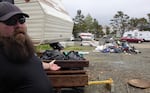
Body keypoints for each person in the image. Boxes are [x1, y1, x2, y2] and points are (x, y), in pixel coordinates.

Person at [0, 2, 60, 93]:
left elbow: (31, 62)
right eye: (10, 21)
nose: (18, 25)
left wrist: (48, 65)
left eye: (21, 20)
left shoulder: (22, 49)